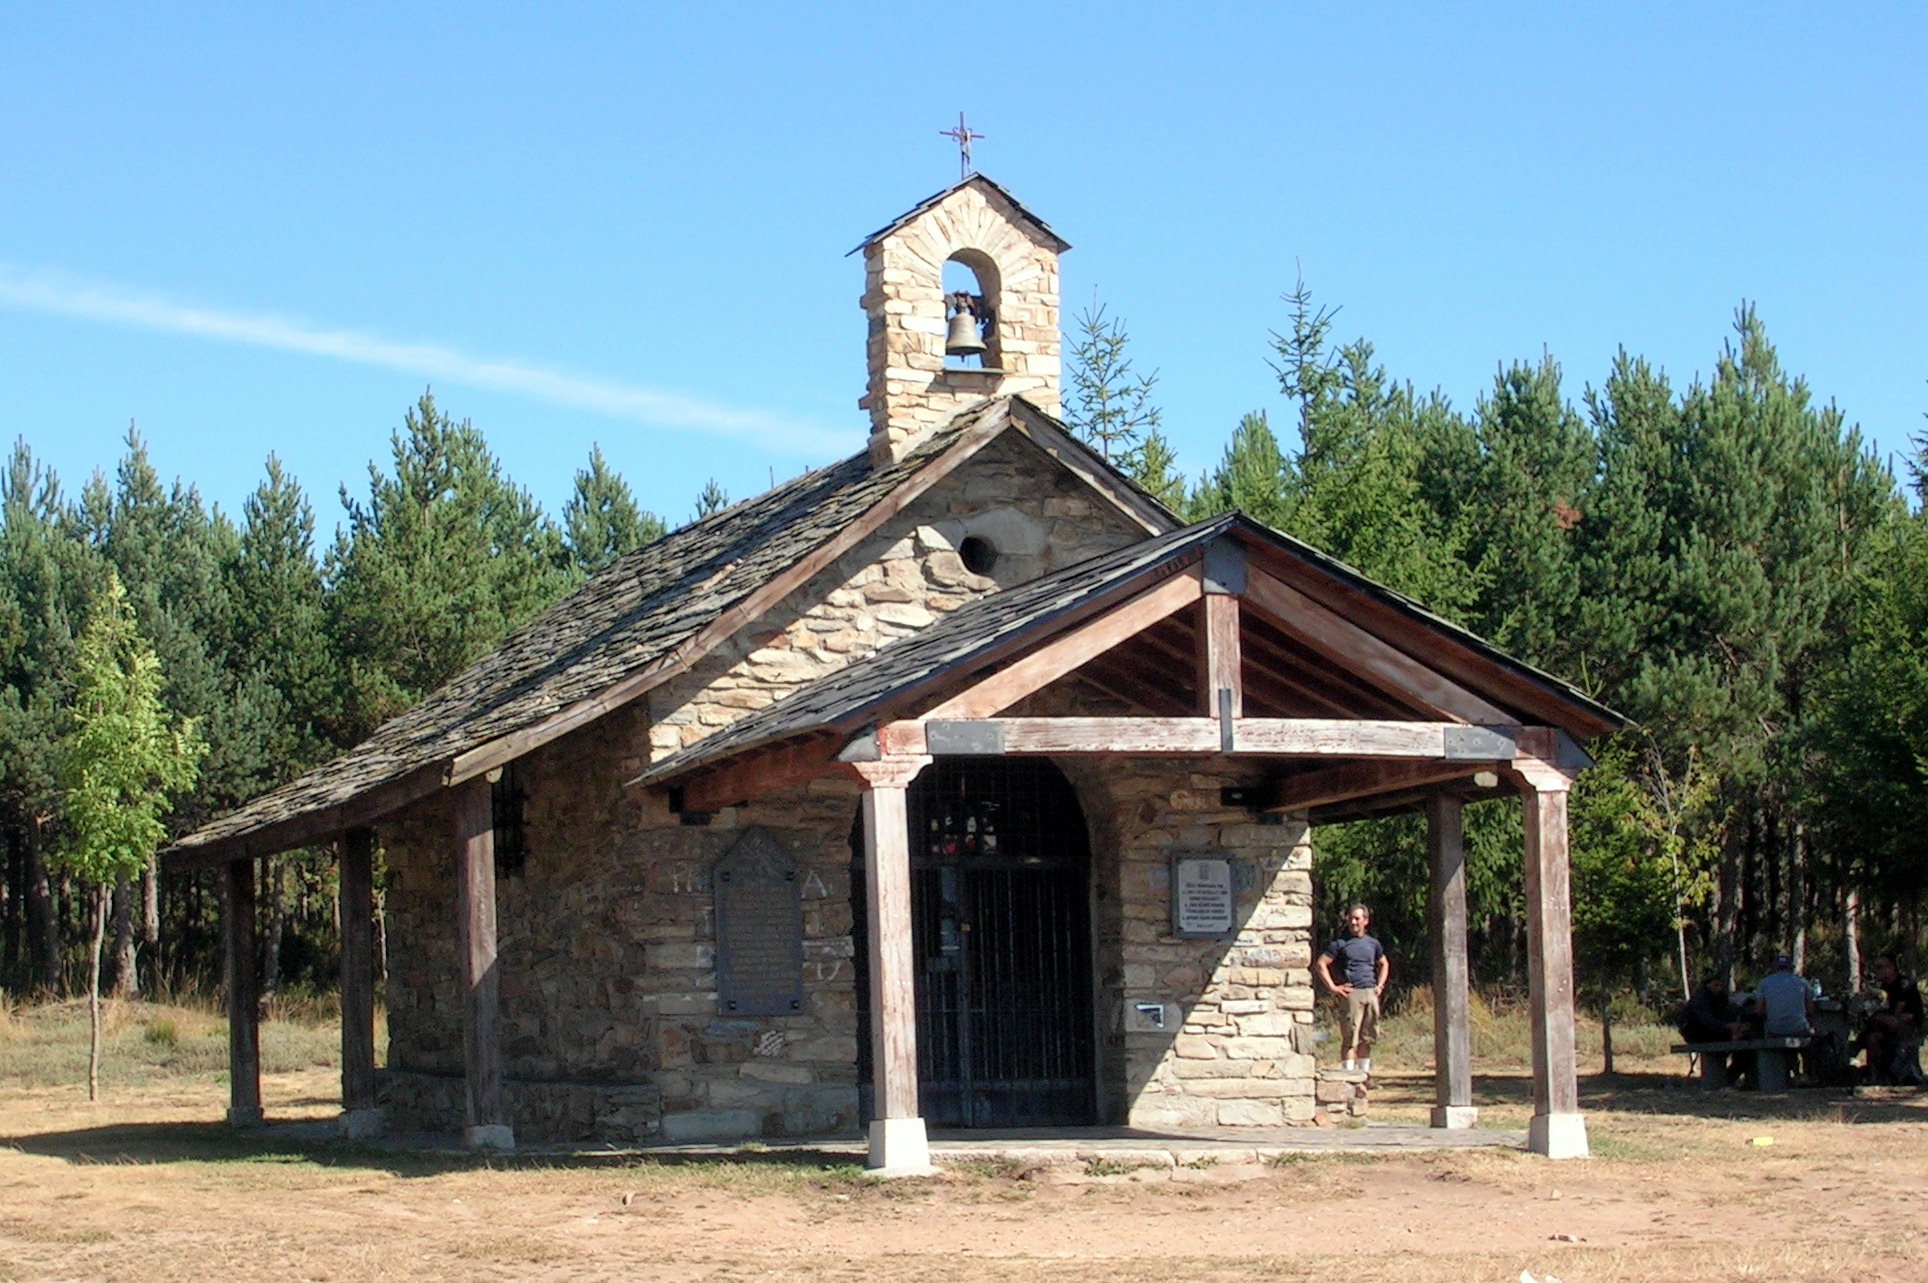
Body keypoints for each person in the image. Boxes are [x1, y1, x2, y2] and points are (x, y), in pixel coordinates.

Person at [1315, 903, 1388, 1075]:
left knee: (1367, 1037)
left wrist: (1380, 985)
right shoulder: (1340, 944)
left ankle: (1364, 1077)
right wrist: (1333, 987)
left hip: (1370, 992)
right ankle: (1348, 1078)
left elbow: (1384, 963)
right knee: (1350, 1038)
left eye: (1357, 918)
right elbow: (1320, 964)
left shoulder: (1373, 944)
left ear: (1366, 921)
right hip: (1352, 994)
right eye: (1351, 918)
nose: (1353, 922)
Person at [1863, 955, 1925, 1086]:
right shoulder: (1884, 987)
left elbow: (1897, 1012)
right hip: (1892, 1025)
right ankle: (1875, 1075)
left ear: (1891, 968)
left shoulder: (1902, 984)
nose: (1876, 971)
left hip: (1911, 1026)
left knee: (1876, 1019)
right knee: (1873, 1037)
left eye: (1880, 967)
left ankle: (1857, 1043)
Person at [1679, 974, 1742, 1083]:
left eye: (1720, 985)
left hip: (1714, 1031)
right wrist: (1728, 1027)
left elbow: (1725, 1014)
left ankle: (1727, 1079)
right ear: (1707, 985)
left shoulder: (1720, 996)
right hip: (1697, 1033)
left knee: (1744, 1046)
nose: (1719, 988)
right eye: (1715, 985)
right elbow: (1707, 1020)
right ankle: (1723, 1080)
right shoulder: (1701, 997)